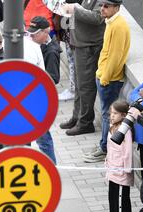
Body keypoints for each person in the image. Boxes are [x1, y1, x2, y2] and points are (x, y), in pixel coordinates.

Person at [82, 0, 130, 163]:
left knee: (107, 115)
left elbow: (115, 56)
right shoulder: (112, 22)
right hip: (106, 76)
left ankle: (104, 149)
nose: (102, 9)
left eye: (106, 6)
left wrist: (104, 78)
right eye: (102, 5)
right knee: (106, 114)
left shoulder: (118, 25)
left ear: (117, 7)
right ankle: (103, 146)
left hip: (109, 80)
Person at [60, 0, 105, 136]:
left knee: (85, 86)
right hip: (80, 43)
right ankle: (77, 117)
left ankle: (85, 123)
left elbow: (97, 18)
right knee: (80, 86)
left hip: (89, 46)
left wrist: (75, 9)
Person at [26, 16, 58, 164]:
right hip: (33, 100)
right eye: (46, 32)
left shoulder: (44, 49)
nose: (48, 35)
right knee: (43, 137)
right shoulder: (33, 48)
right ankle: (52, 166)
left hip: (32, 99)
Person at [105, 101, 134, 212]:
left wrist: (126, 170)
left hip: (121, 171)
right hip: (112, 169)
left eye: (115, 113)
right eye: (111, 113)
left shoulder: (125, 131)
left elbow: (127, 151)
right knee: (113, 199)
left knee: (121, 199)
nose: (112, 116)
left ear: (123, 115)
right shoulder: (112, 127)